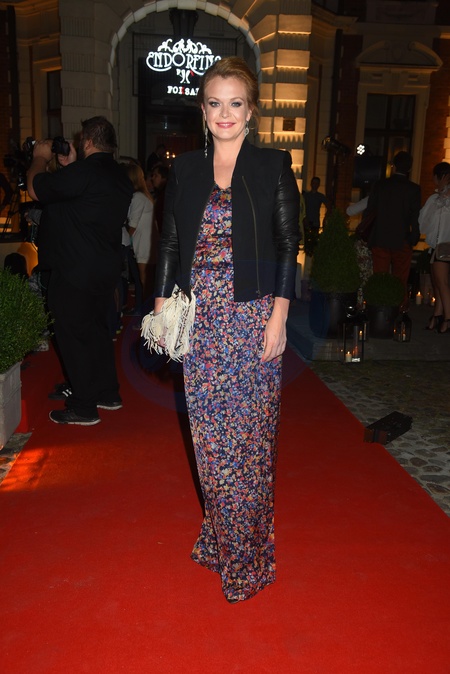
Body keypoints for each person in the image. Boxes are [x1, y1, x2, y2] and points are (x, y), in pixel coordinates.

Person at [153, 57, 300, 603]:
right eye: (215, 103)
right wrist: (162, 306)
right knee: (211, 442)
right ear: (203, 109)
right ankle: (221, 538)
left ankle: (247, 560)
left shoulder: (272, 165)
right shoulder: (186, 170)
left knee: (250, 444)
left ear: (251, 110)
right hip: (201, 322)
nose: (225, 113)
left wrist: (279, 317)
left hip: (253, 317)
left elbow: (288, 243)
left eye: (235, 103)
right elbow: (169, 242)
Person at [27, 116, 133, 425]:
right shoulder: (119, 175)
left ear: (86, 141)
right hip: (105, 269)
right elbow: (82, 199)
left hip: (74, 269)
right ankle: (107, 393)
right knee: (97, 333)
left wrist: (39, 158)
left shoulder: (84, 173)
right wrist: (72, 164)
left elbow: (36, 189)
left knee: (72, 335)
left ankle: (84, 406)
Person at [366, 151, 421, 308]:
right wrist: (413, 238)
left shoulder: (380, 185)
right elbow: (415, 217)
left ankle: (378, 309)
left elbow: (370, 212)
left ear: (393, 166)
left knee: (380, 276)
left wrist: (368, 234)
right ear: (409, 169)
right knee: (400, 279)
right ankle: (399, 310)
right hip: (402, 238)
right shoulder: (414, 189)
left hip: (380, 237)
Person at [419, 161, 450, 333]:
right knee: (438, 283)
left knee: (442, 283)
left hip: (445, 245)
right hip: (437, 246)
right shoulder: (435, 199)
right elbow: (424, 224)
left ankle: (447, 318)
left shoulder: (442, 200)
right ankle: (437, 315)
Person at [125, 162, 155, 308]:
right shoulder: (144, 196)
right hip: (147, 242)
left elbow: (133, 224)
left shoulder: (138, 197)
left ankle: (148, 313)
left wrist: (123, 241)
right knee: (146, 281)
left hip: (143, 244)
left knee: (144, 281)